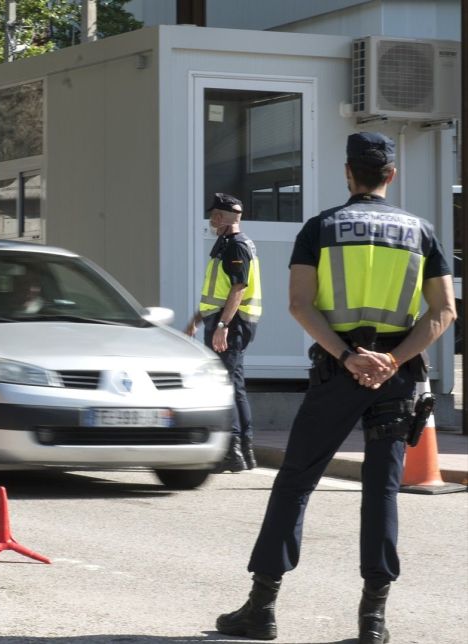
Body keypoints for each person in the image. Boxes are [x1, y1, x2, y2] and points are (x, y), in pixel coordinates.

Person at [214, 132, 455, 644]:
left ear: (348, 173)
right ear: (390, 175)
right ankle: (373, 622)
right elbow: (444, 312)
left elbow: (301, 304)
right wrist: (391, 359)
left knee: (296, 481)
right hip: (396, 377)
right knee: (382, 491)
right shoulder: (422, 232)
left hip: (336, 372)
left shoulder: (320, 228)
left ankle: (262, 607)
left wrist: (348, 356)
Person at [186, 193, 262, 472]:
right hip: (224, 321)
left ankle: (232, 452)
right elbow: (216, 291)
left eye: (213, 215)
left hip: (231, 324)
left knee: (224, 386)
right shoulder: (227, 243)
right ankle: (245, 451)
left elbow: (237, 289)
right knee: (236, 387)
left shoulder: (237, 246)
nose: (210, 220)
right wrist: (197, 319)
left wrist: (222, 327)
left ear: (221, 217)